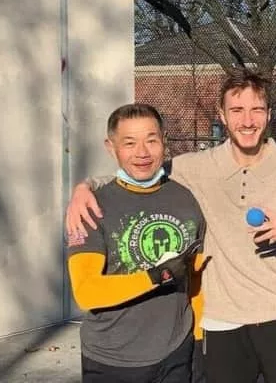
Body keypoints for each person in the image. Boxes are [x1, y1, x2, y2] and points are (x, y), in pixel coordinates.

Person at [67, 69, 276, 383]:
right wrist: (86, 187)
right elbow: (141, 169)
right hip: (220, 323)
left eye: (256, 110)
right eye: (237, 110)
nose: (247, 120)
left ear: (269, 114)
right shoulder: (194, 168)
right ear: (222, 115)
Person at [67, 103, 206, 383]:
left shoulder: (186, 198)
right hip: (112, 358)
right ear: (111, 147)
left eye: (151, 140)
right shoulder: (91, 207)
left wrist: (199, 338)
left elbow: (196, 274)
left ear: (164, 141)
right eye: (129, 143)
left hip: (177, 351)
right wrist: (157, 276)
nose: (142, 153)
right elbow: (86, 292)